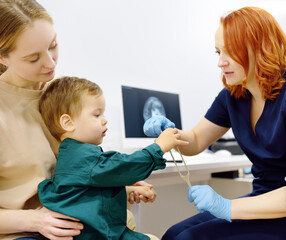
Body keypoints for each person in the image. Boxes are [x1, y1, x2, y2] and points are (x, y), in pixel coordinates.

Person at [0, 1, 154, 239]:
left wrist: (115, 183)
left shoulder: (59, 95)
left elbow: (71, 173)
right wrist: (35, 219)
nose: (50, 63)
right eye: (33, 58)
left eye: (53, 46)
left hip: (76, 224)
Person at [143, 6, 286, 240]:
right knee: (174, 234)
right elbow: (198, 139)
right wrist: (170, 132)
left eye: (230, 51)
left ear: (262, 47)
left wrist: (227, 208)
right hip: (260, 200)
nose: (221, 62)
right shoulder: (234, 95)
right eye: (218, 52)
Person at [37, 76, 188, 240]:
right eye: (96, 115)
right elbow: (125, 166)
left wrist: (128, 190)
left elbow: (89, 195)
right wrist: (159, 147)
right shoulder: (84, 158)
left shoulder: (71, 156)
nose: (104, 120)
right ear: (68, 123)